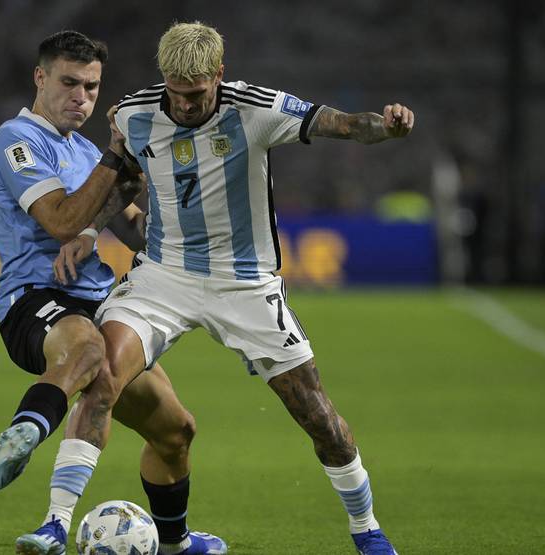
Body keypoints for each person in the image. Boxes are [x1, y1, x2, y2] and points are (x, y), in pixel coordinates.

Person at [54, 22, 415, 555]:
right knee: (102, 373)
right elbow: (127, 176)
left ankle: (367, 529)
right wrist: (89, 229)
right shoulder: (133, 113)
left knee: (318, 416)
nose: (186, 105)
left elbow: (341, 124)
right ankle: (55, 524)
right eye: (177, 92)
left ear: (219, 75)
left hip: (244, 283)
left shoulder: (256, 108)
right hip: (164, 276)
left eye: (198, 93)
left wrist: (386, 127)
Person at [0, 30, 227, 555]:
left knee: (175, 431)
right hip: (34, 299)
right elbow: (61, 220)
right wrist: (116, 160)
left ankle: (176, 543)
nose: (82, 97)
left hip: (101, 302)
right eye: (69, 83)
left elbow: (134, 229)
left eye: (91, 87)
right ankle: (31, 447)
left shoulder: (86, 151)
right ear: (40, 77)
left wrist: (178, 203)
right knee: (91, 354)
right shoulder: (15, 141)